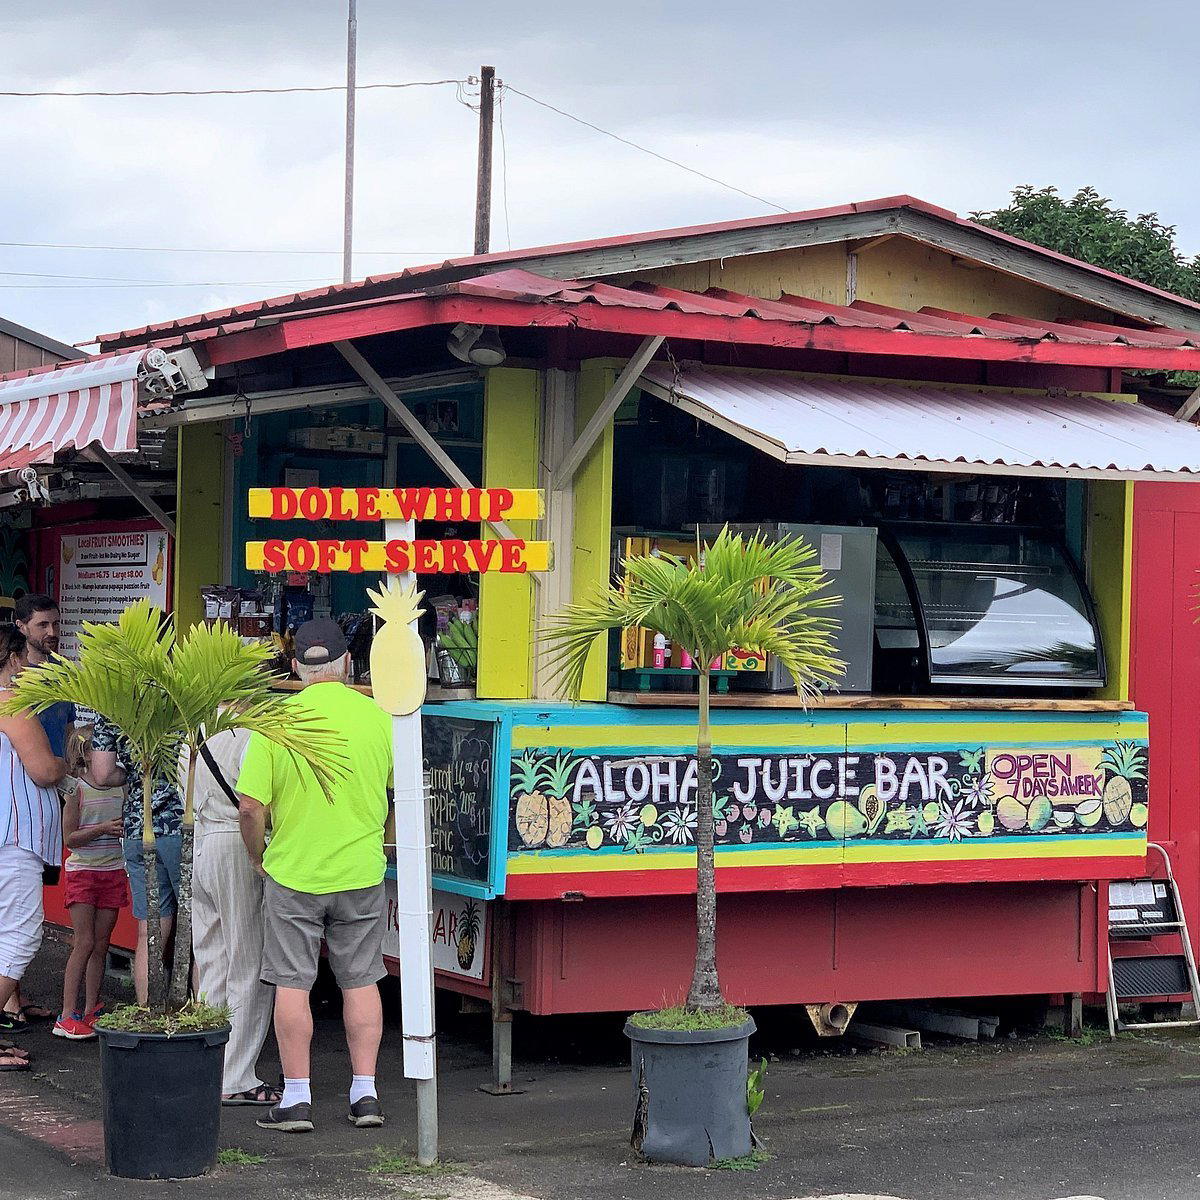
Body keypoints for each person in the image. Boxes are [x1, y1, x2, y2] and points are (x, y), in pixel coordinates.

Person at [238, 618, 392, 1134]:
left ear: (296, 667)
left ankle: (297, 1099)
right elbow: (398, 797)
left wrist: (259, 856)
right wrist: (381, 839)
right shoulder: (379, 718)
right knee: (362, 979)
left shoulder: (275, 722)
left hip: (294, 872)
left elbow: (250, 807)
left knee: (291, 983)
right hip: (360, 871)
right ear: (349, 663)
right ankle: (365, 1094)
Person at [182, 718, 279, 1106]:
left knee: (212, 961)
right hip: (235, 844)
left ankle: (209, 1064)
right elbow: (253, 806)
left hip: (202, 842)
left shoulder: (196, 730)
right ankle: (236, 1075)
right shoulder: (252, 733)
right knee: (249, 963)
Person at [2, 594, 74, 1031]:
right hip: (16, 836)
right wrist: (72, 763)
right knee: (22, 934)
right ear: (13, 657)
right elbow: (46, 770)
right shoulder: (13, 705)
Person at [91, 716, 183, 1006]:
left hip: (137, 825)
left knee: (149, 929)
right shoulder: (183, 690)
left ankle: (148, 1010)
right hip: (183, 825)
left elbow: (102, 774)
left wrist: (134, 774)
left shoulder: (112, 701)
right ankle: (202, 1015)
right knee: (200, 929)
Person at [53, 727, 130, 1040]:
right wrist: (102, 829)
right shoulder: (76, 791)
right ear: (87, 755)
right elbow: (69, 838)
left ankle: (90, 1008)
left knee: (101, 943)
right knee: (84, 942)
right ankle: (66, 1013)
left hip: (113, 869)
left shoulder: (121, 786)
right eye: (103, 750)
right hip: (83, 872)